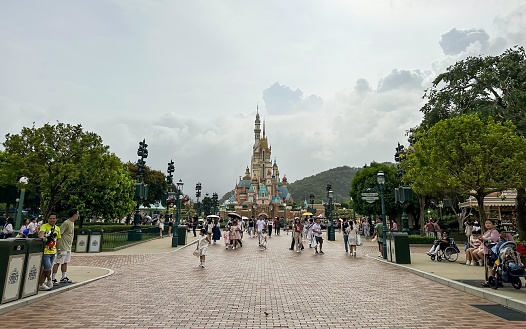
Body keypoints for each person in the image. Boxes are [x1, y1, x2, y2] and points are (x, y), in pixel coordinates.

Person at [52, 208, 78, 286]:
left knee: (65, 262)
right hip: (63, 246)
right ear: (74, 214)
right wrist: (58, 246)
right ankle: (53, 277)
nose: (78, 216)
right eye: (77, 214)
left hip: (68, 247)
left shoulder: (72, 223)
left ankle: (64, 276)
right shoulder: (66, 223)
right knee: (58, 262)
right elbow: (59, 233)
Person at [38, 213, 61, 291]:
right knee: (47, 267)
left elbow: (57, 240)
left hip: (53, 251)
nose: (52, 220)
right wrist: (44, 238)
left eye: (53, 218)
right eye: (50, 218)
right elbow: (41, 235)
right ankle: (49, 279)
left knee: (46, 269)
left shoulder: (57, 228)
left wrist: (58, 250)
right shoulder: (44, 226)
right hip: (45, 251)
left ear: (56, 219)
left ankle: (41, 284)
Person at [480, 219, 501, 287]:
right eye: (486, 223)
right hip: (487, 251)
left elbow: (493, 239)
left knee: (491, 266)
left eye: (489, 223)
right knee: (488, 266)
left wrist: (484, 238)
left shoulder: (494, 231)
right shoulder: (487, 232)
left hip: (492, 252)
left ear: (493, 224)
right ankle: (488, 280)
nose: (487, 224)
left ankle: (490, 280)